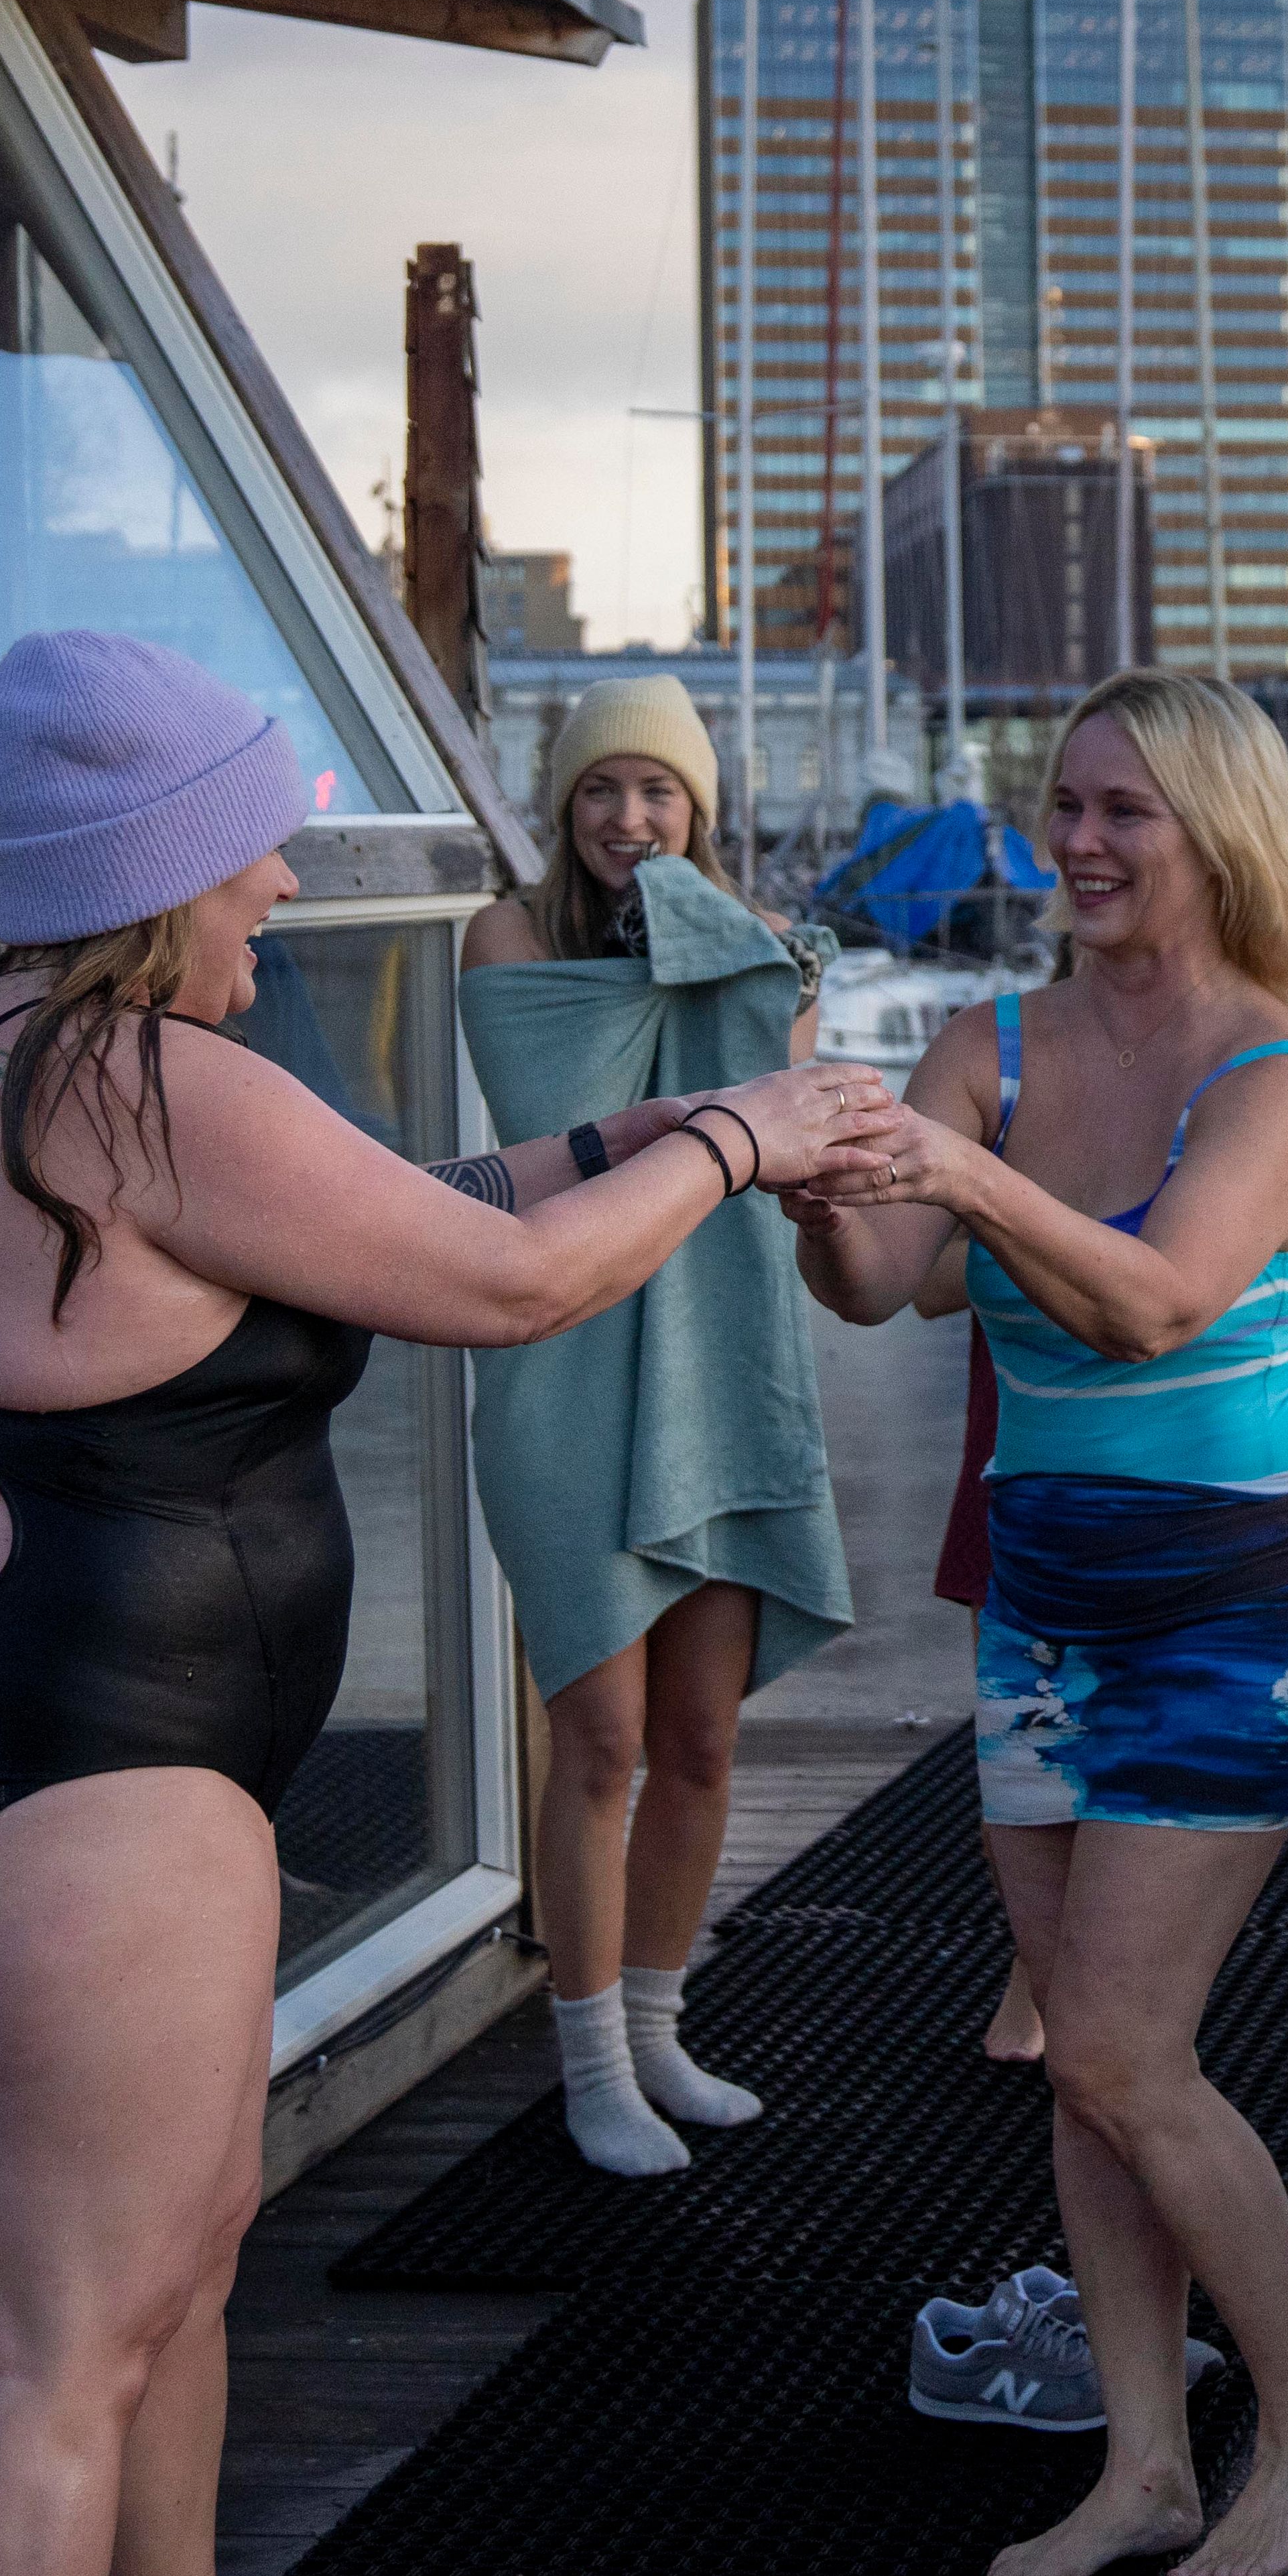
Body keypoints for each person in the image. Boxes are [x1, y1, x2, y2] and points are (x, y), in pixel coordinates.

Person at [0, 632, 895, 2576]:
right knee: (64, 2340)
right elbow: (504, 1288)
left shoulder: (78, 1054)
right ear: (148, 867)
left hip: (118, 1766)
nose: (283, 870)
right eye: (252, 831)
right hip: (61, 1780)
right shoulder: (121, 1071)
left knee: (184, 2255)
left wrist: (640, 1129)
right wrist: (740, 1138)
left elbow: (422, 1194)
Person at [793, 669, 1288, 2576]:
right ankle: (1142, 2464)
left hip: (1247, 1610)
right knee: (1077, 2066)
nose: (1078, 842)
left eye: (1124, 809)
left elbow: (1153, 1303)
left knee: (1130, 2047)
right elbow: (888, 1288)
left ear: (1218, 830)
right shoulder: (998, 1042)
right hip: (1049, 1613)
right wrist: (819, 1168)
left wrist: (959, 1168)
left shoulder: (1279, 1074)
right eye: (1062, 805)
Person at [461, 677, 845, 2172]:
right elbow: (570, 1134)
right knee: (600, 1739)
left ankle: (662, 2033)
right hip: (565, 1357)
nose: (630, 821)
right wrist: (729, 950)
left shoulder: (762, 951)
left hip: (723, 1353)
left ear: (703, 808)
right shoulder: (510, 937)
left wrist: (738, 947)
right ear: (561, 805)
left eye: (661, 796)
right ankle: (588, 2066)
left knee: (697, 1738)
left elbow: (781, 1126)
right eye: (603, 792)